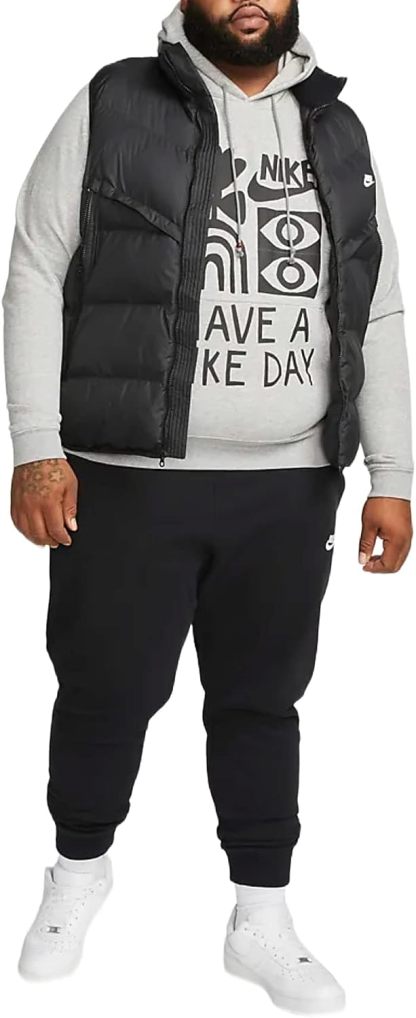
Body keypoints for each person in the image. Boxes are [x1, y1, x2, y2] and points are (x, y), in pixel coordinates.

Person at [2, 0, 413, 1010]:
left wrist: (393, 474)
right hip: (129, 477)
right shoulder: (114, 101)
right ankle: (78, 868)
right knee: (105, 690)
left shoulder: (336, 127)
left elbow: (376, 302)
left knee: (262, 700)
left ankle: (260, 916)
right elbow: (37, 266)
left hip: (289, 485)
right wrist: (37, 447)